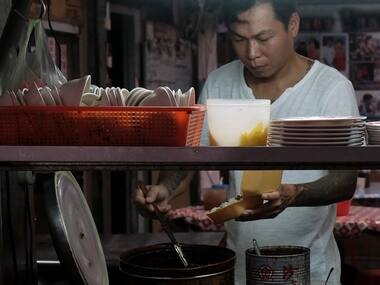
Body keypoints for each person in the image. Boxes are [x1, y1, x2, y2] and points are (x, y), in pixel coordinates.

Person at [134, 1, 359, 284]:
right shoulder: (220, 83)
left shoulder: (331, 89)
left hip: (310, 270)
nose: (252, 54)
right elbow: (193, 154)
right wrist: (165, 187)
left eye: (263, 38)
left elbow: (345, 180)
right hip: (240, 269)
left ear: (292, 25)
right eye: (239, 40)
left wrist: (295, 193)